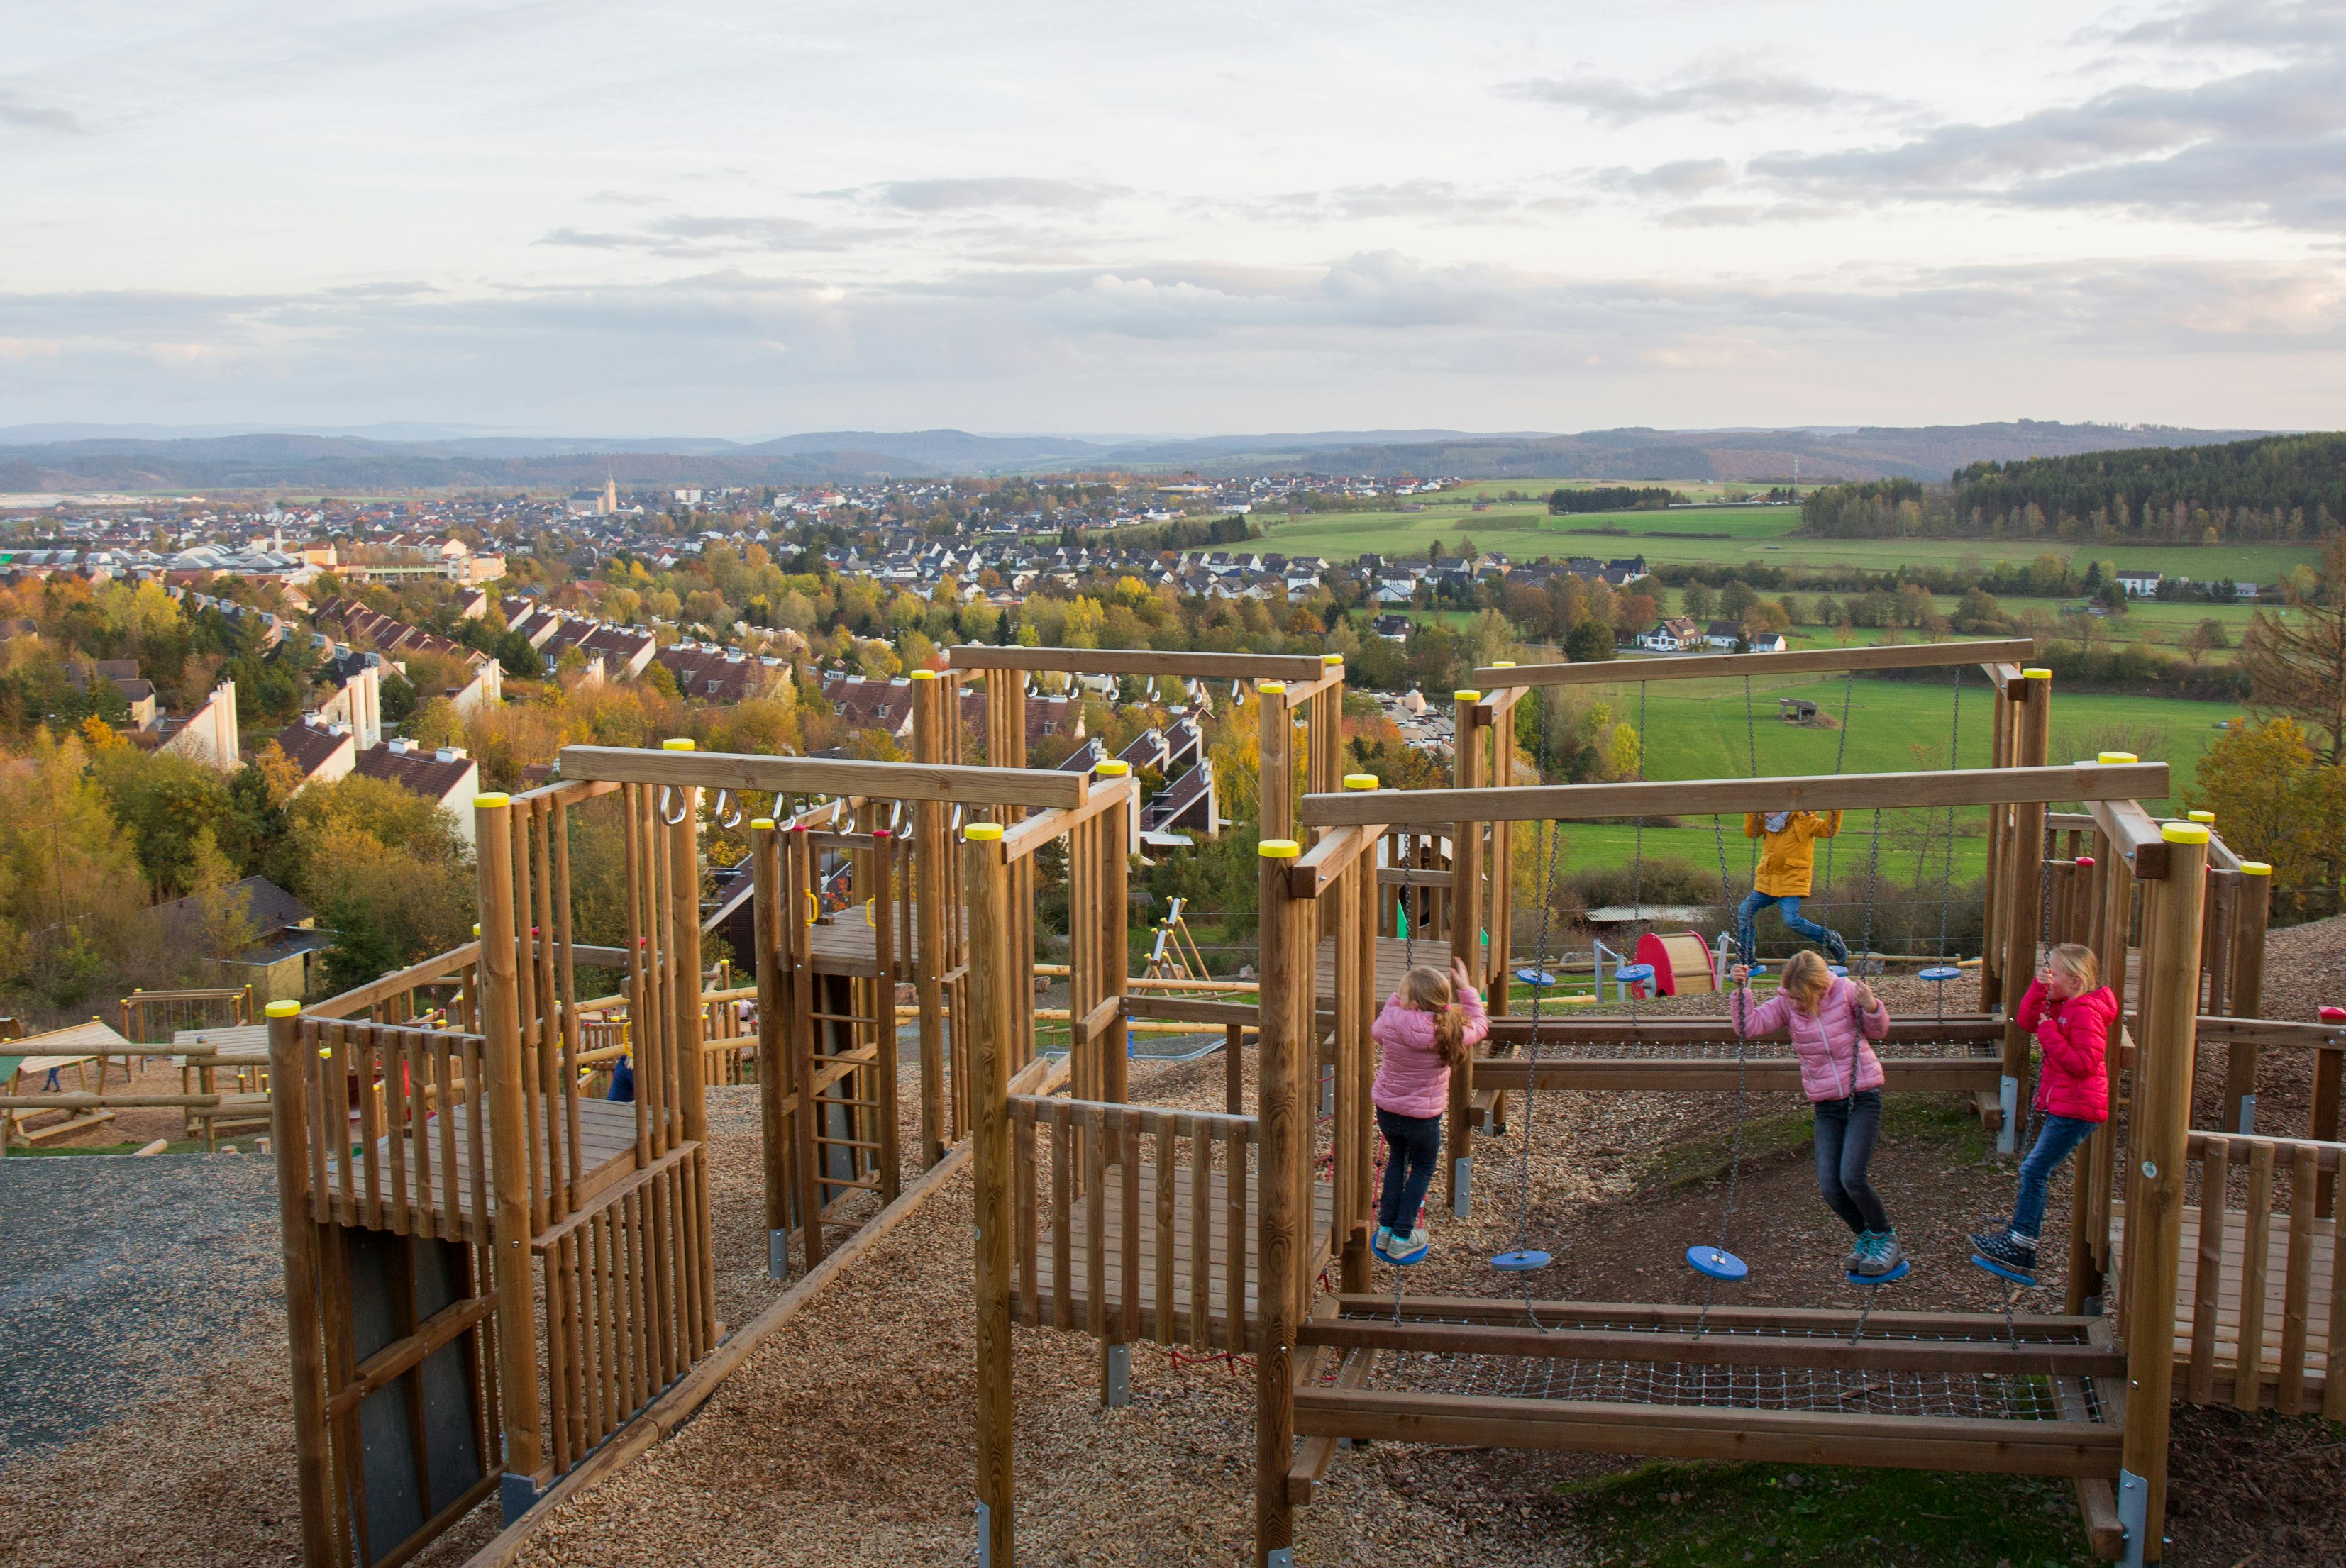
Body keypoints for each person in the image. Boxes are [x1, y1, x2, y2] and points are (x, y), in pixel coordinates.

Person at [1730, 950, 1900, 1275]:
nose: (1795, 1004)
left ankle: (1886, 1237)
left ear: (1822, 989)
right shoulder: (1785, 1005)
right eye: (1791, 997)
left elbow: (1878, 1031)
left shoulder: (1847, 992)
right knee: (1830, 1187)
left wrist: (1872, 1007)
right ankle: (1865, 1237)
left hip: (1863, 1095)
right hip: (1827, 1104)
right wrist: (1742, 991)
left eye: (1801, 998)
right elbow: (1748, 1027)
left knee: (1852, 1177)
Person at [1971, 943, 2116, 1276]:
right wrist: (2038, 987)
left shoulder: (2083, 1012)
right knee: (2035, 1170)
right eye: (2045, 971)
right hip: (2068, 1104)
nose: (2047, 977)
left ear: (2076, 981)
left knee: (2034, 1171)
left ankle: (2020, 1245)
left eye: (2053, 973)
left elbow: (2083, 1063)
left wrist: (2049, 1031)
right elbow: (2024, 1020)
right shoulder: (2065, 1004)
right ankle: (2020, 1242)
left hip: (2078, 1108)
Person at [1369, 958, 1488, 1265]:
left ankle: (1385, 1229)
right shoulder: (1450, 1029)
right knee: (1421, 1170)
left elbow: (1376, 1030)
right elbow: (1481, 1025)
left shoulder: (1392, 1020)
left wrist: (1396, 999)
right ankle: (1402, 1237)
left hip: (1388, 1110)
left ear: (1410, 1000)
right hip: (1422, 1118)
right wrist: (1466, 990)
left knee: (1397, 1160)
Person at [1737, 809, 1850, 968]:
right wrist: (1752, 811)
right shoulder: (1768, 823)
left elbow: (1827, 830)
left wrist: (1835, 809)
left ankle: (1830, 938)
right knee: (1744, 910)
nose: (1766, 812)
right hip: (1768, 882)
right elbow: (1752, 833)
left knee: (1791, 921)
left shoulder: (1803, 820)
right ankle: (1747, 956)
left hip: (1791, 882)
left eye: (1770, 809)